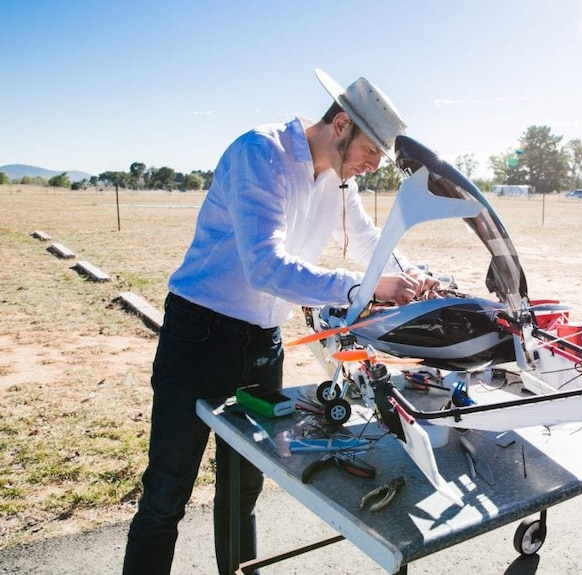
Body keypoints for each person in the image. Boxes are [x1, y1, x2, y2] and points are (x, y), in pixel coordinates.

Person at [123, 68, 436, 575]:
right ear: (341, 126)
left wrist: (413, 273)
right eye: (371, 153)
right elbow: (265, 266)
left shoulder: (339, 180)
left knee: (245, 485)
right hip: (199, 333)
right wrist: (363, 288)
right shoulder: (259, 153)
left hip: (263, 343)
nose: (372, 166)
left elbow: (364, 239)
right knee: (167, 491)